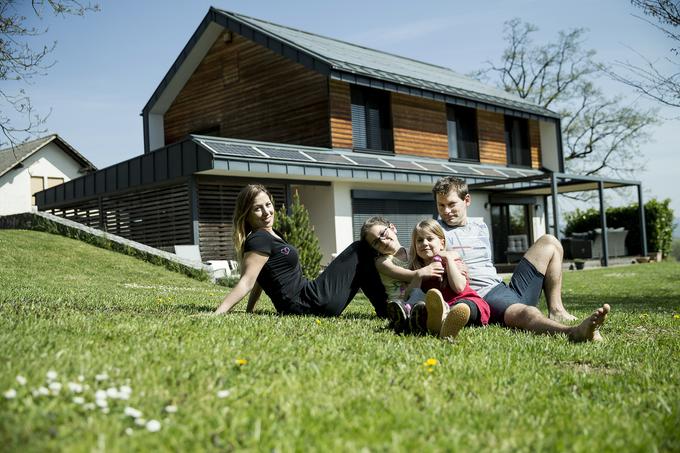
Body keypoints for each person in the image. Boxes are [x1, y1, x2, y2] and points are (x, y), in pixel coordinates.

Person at [430, 176, 609, 342]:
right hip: (482, 296)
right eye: (441, 205)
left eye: (451, 204)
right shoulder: (436, 231)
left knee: (550, 242)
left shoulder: (480, 225)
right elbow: (420, 252)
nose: (446, 211)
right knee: (527, 313)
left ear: (466, 200)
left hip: (500, 288)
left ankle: (556, 310)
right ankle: (574, 332)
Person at [215, 184, 387, 317]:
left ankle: (390, 309)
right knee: (361, 248)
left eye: (268, 204)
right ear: (247, 214)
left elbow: (261, 276)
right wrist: (218, 313)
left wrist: (249, 310)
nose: (267, 212)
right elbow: (247, 282)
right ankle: (389, 307)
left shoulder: (272, 234)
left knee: (363, 261)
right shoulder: (258, 238)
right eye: (257, 208)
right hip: (306, 303)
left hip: (308, 299)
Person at [408, 219, 491, 340]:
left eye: (430, 239)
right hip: (437, 307)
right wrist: (420, 274)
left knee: (464, 307)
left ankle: (448, 320)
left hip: (462, 301)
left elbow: (458, 288)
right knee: (422, 311)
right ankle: (439, 322)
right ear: (415, 245)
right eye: (420, 240)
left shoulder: (453, 261)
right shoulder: (416, 267)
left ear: (442, 243)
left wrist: (448, 259)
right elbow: (410, 295)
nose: (425, 243)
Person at [359, 216, 444, 333]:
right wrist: (425, 270)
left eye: (383, 233)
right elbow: (412, 275)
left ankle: (422, 317)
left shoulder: (414, 253)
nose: (383, 241)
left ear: (393, 228)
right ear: (373, 248)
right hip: (397, 304)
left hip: (418, 297)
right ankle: (404, 317)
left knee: (427, 299)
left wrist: (451, 257)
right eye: (376, 242)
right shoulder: (382, 262)